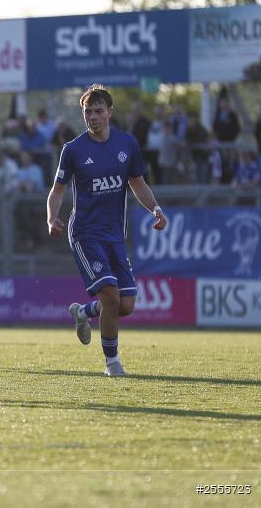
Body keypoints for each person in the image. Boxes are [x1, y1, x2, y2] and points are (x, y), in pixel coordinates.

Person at [46, 85, 167, 377]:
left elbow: (137, 184)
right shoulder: (73, 149)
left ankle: (83, 312)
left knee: (125, 305)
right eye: (88, 112)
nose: (93, 116)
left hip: (115, 234)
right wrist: (52, 218)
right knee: (111, 297)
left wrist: (156, 209)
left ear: (110, 112)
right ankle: (112, 363)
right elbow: (56, 191)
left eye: (98, 111)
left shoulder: (127, 145)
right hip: (86, 234)